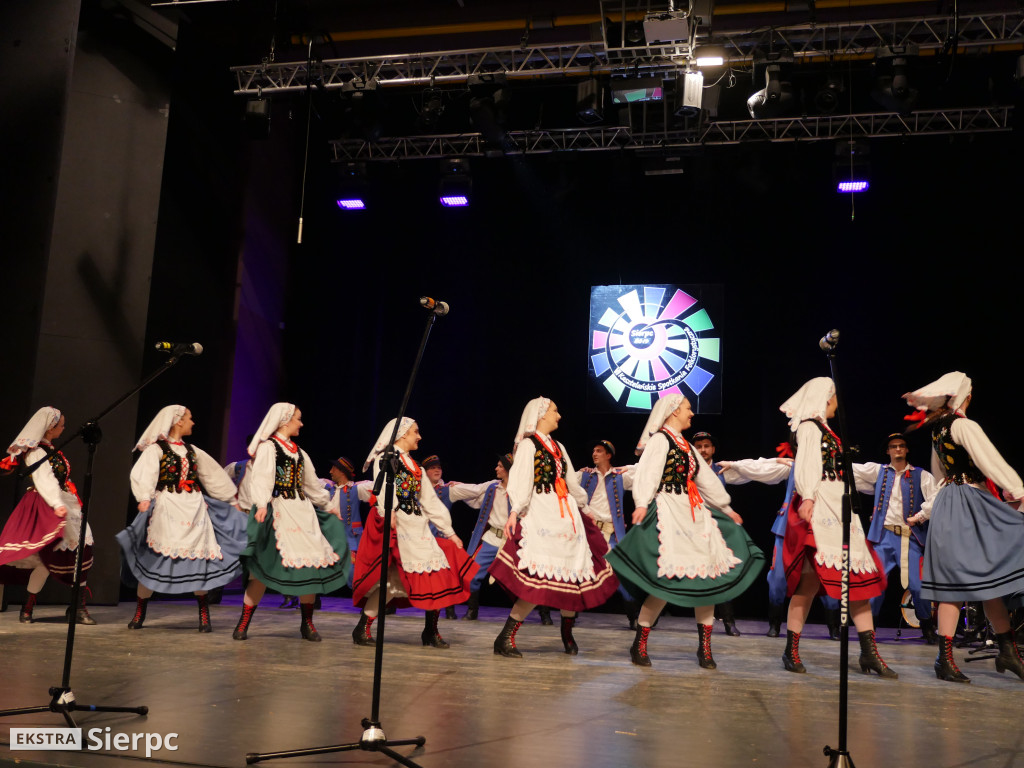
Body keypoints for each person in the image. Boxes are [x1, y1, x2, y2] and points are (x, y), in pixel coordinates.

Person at [605, 395, 764, 669]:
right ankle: (639, 643)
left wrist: (725, 508)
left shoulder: (687, 446)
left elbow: (706, 480)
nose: (692, 413)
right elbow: (648, 474)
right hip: (670, 509)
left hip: (694, 513)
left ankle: (704, 649)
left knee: (707, 580)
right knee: (667, 584)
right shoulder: (660, 440)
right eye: (688, 409)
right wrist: (642, 504)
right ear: (675, 410)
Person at [904, 372, 1024, 683]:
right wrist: (1017, 490)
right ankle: (946, 660)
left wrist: (927, 510)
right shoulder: (963, 425)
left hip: (950, 503)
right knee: (961, 583)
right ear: (966, 397)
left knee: (986, 580)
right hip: (969, 503)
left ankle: (1007, 652)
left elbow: (941, 478)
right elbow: (990, 461)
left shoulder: (937, 430)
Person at [779, 377, 895, 678]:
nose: (836, 403)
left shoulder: (825, 429)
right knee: (809, 584)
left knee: (856, 581)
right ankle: (791, 650)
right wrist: (806, 497)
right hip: (819, 507)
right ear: (825, 397)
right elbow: (805, 463)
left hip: (839, 505)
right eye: (833, 397)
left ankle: (869, 654)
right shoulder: (808, 426)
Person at [490, 397, 619, 658]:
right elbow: (521, 479)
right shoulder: (528, 445)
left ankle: (567, 633)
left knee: (573, 576)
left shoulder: (558, 446)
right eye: (554, 411)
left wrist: (584, 508)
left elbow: (570, 480)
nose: (558, 416)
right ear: (540, 414)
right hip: (541, 513)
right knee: (539, 578)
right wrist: (515, 510)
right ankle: (505, 637)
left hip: (566, 515)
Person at [350, 418, 478, 649]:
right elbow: (385, 489)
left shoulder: (417, 468)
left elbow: (430, 502)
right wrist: (389, 513)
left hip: (418, 528)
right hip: (398, 526)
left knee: (437, 575)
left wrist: (449, 533)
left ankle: (431, 631)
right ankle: (363, 627)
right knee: (390, 583)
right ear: (401, 434)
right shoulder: (386, 458)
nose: (419, 437)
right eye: (415, 432)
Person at [117, 405, 247, 632]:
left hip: (194, 508)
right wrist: (144, 496)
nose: (193, 422)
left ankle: (204, 615)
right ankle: (140, 612)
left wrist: (231, 499)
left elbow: (213, 476)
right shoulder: (156, 450)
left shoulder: (193, 450)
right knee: (153, 561)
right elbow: (144, 473)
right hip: (168, 507)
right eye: (189, 418)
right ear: (178, 421)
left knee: (199, 563)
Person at [231, 403, 351, 641]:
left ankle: (307, 624)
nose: (301, 423)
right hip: (279, 511)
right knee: (261, 571)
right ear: (285, 421)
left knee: (309, 569)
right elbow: (262, 477)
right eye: (298, 418)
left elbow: (311, 484)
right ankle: (243, 622)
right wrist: (262, 504)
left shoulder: (299, 452)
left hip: (302, 512)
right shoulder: (269, 448)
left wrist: (327, 506)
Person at [0, 407, 96, 624]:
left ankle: (77, 608)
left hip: (66, 503)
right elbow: (45, 478)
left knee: (82, 552)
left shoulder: (52, 450)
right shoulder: (36, 452)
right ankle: (28, 606)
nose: (64, 428)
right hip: (47, 505)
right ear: (50, 428)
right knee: (46, 559)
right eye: (61, 424)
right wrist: (56, 503)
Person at [852, 433, 938, 643]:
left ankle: (927, 625)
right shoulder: (878, 471)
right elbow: (850, 468)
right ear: (888, 451)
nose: (897, 449)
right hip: (883, 537)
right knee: (875, 584)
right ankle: (869, 630)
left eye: (901, 446)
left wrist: (919, 517)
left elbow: (936, 498)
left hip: (910, 538)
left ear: (907, 449)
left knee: (918, 586)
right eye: (893, 446)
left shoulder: (921, 475)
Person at [420, 454, 490, 619]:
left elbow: (478, 489)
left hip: (442, 540)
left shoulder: (448, 490)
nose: (437, 470)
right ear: (425, 472)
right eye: (432, 468)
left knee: (447, 575)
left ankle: (450, 611)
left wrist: (499, 482)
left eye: (439, 467)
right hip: (421, 540)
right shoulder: (417, 489)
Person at [576, 439, 637, 627]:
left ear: (608, 455)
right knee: (577, 570)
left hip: (611, 533)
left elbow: (646, 472)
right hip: (589, 532)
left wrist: (626, 467)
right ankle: (568, 614)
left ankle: (633, 617)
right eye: (594, 450)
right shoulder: (584, 476)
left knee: (621, 572)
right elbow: (566, 481)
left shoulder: (620, 476)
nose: (594, 454)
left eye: (599, 451)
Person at [691, 431, 744, 637]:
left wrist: (780, 461)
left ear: (713, 449)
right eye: (699, 446)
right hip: (690, 528)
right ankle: (652, 618)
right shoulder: (685, 469)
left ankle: (728, 621)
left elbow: (753, 469)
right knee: (673, 568)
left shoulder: (723, 470)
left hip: (716, 531)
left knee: (721, 574)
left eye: (706, 446)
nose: (703, 450)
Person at [461, 453, 514, 621]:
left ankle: (542, 613)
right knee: (472, 572)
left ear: (508, 469)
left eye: (500, 466)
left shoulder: (520, 491)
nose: (496, 468)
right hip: (492, 538)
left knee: (525, 578)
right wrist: (455, 490)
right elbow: (475, 497)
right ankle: (472, 610)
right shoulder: (493, 488)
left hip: (512, 541)